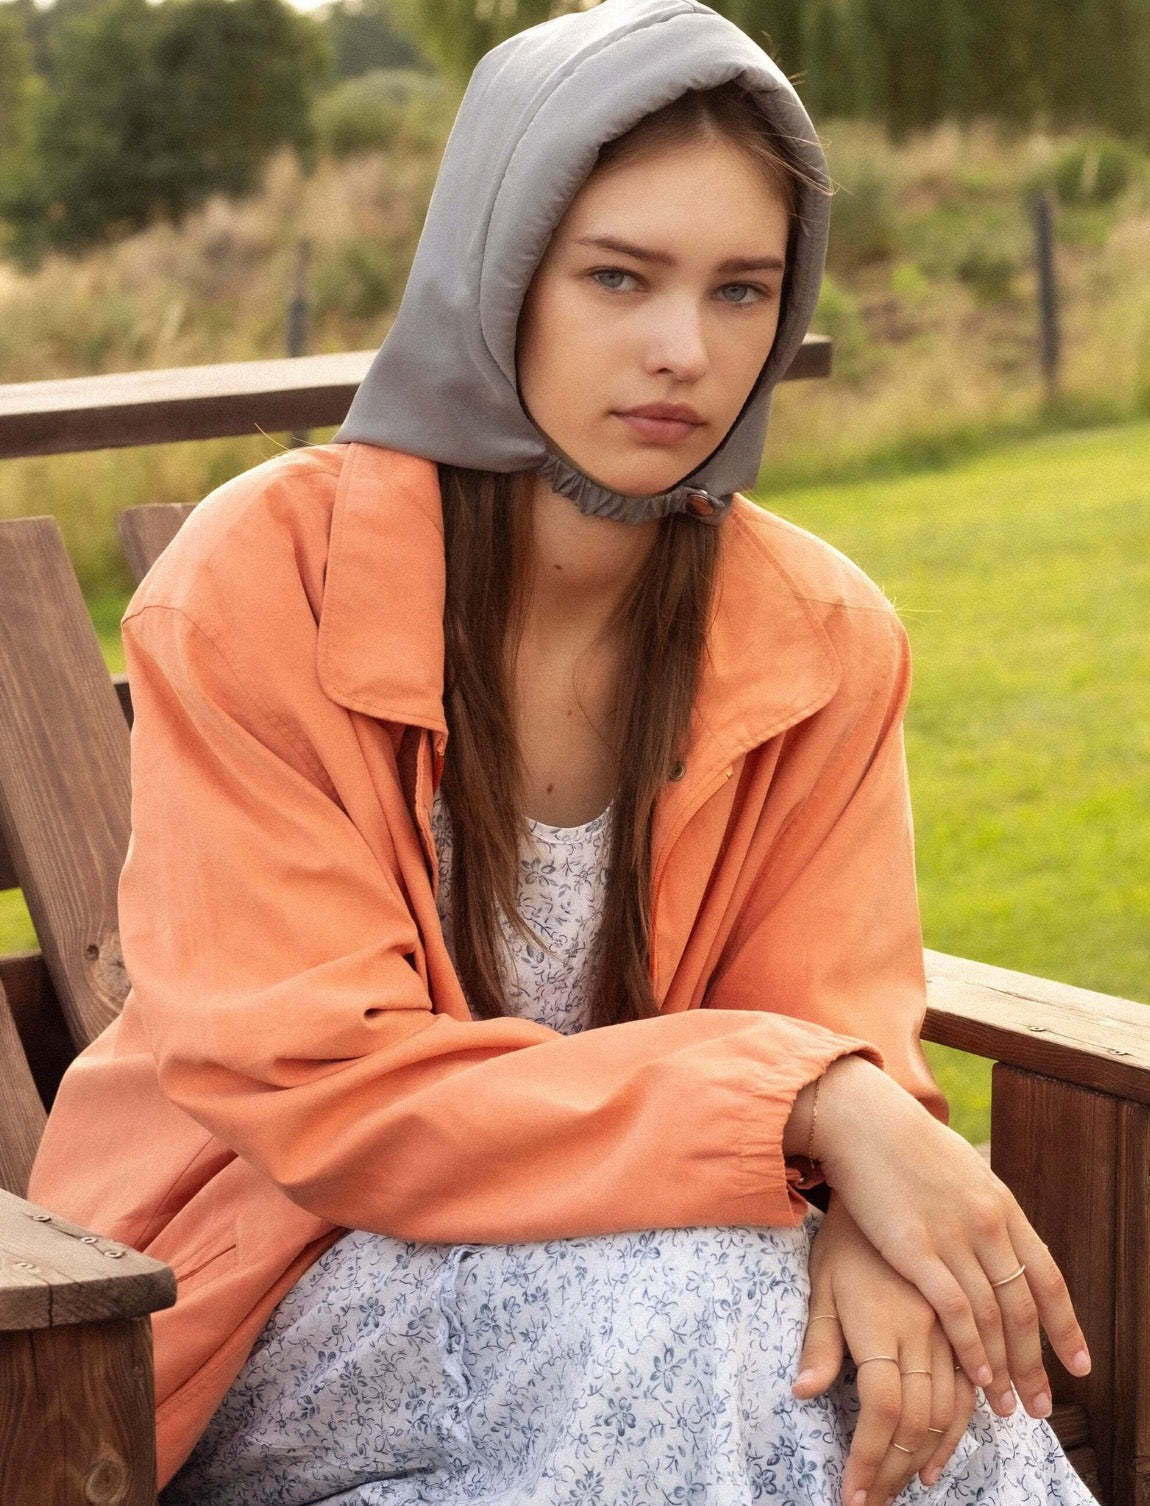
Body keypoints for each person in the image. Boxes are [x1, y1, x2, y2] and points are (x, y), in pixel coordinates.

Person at [30, 2, 1095, 1503]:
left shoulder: (817, 632)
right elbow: (326, 1088)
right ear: (499, 273)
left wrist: (866, 1193)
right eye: (617, 276)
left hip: (667, 1289)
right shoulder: (263, 580)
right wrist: (806, 1107)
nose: (682, 351)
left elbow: (836, 1019)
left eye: (741, 291)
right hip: (269, 1286)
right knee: (710, 1312)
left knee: (921, 1383)